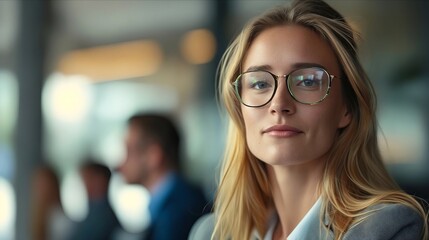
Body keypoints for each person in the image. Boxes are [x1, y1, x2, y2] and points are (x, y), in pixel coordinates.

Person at [189, 0, 428, 239]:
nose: (279, 104)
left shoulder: (386, 230)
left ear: (346, 107)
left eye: (308, 81)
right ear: (239, 107)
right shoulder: (211, 233)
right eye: (260, 83)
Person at [119, 113, 209, 240]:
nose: (119, 165)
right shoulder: (181, 203)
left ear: (153, 156)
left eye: (128, 151)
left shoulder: (177, 214)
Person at [68, 160, 121, 240]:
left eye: (89, 178)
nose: (85, 184)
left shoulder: (103, 218)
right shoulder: (94, 212)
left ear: (101, 180)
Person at [31, 165, 73, 240]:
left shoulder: (60, 220)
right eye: (38, 185)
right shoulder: (40, 216)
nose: (40, 190)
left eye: (44, 185)